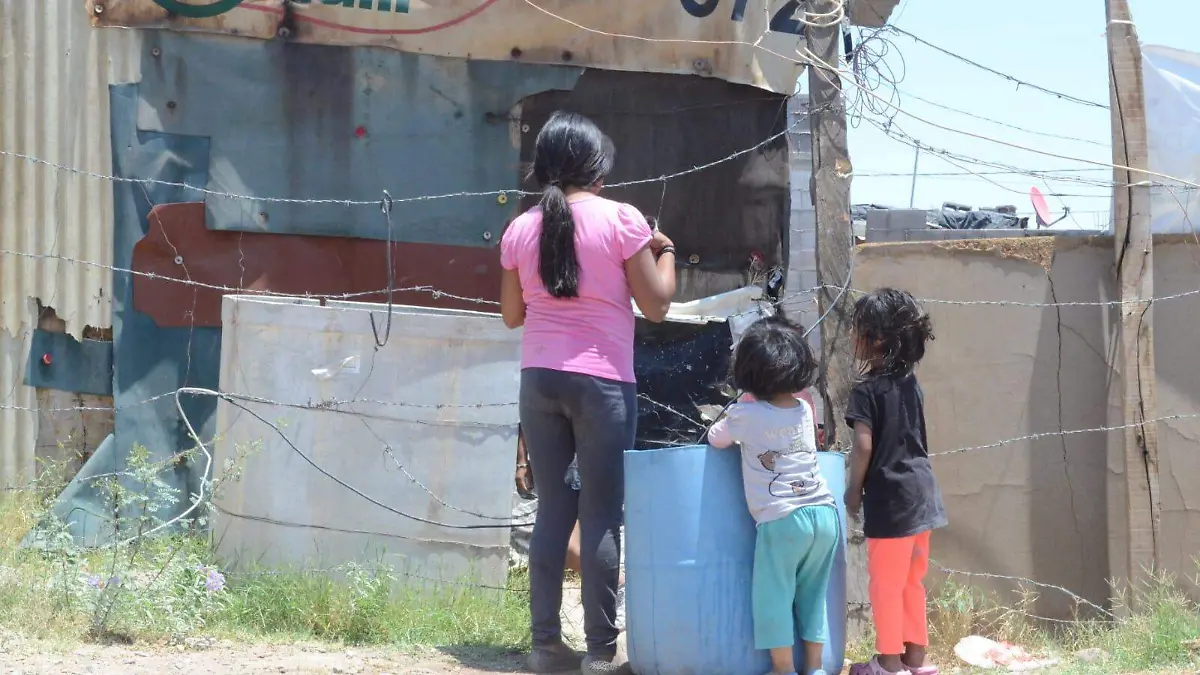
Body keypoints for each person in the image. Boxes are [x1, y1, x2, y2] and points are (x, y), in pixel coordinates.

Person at [500, 111, 677, 674]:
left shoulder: (521, 228)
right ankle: (600, 653)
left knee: (552, 510)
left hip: (539, 379)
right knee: (601, 514)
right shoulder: (623, 220)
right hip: (602, 383)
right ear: (597, 169)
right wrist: (666, 251)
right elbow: (657, 305)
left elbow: (512, 315)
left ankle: (545, 646)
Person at [707, 316, 839, 675]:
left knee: (774, 596)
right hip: (824, 512)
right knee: (813, 595)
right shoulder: (803, 409)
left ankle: (782, 669)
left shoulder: (744, 414)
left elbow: (715, 439)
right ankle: (815, 668)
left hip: (782, 519)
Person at [844, 289, 947, 675]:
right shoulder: (910, 383)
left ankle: (887, 662)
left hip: (891, 502)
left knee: (885, 585)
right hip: (923, 495)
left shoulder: (865, 390)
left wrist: (853, 491)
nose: (853, 336)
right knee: (911, 582)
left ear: (876, 340)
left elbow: (863, 446)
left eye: (858, 330)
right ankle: (916, 659)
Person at [514, 429, 627, 628]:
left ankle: (620, 588)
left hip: (577, 458)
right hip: (551, 460)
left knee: (567, 544)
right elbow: (525, 417)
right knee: (563, 543)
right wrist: (522, 461)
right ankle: (615, 594)